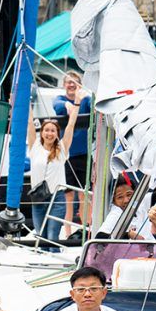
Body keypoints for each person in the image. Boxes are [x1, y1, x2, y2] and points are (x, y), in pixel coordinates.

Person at [53, 72, 93, 231]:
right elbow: (57, 106)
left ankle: (86, 231)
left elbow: (94, 106)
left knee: (85, 196)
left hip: (84, 154)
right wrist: (68, 105)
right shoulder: (60, 99)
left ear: (80, 85)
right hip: (67, 156)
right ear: (64, 85)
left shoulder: (86, 100)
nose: (71, 85)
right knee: (68, 197)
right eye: (68, 82)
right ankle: (68, 233)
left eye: (74, 82)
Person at [27, 114, 73, 245]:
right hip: (38, 197)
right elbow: (30, 123)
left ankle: (54, 255)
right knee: (41, 235)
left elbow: (70, 126)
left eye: (53, 130)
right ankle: (43, 262)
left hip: (56, 198)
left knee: (53, 234)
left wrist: (76, 104)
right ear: (41, 133)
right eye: (46, 130)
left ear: (57, 134)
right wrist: (26, 99)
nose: (49, 133)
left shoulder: (62, 149)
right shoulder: (35, 147)